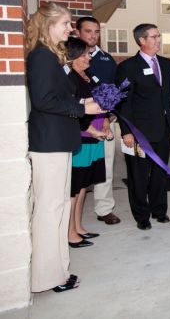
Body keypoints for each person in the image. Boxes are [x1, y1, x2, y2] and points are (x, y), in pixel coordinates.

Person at [25, 2, 104, 293]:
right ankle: (46, 277)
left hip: (58, 140)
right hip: (49, 143)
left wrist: (83, 104)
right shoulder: (42, 57)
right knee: (49, 210)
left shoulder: (50, 55)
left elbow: (56, 98)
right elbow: (44, 100)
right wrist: (82, 108)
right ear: (48, 25)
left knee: (57, 207)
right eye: (65, 24)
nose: (70, 29)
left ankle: (58, 270)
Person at [115, 23, 170, 230]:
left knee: (160, 173)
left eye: (159, 35)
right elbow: (123, 103)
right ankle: (142, 215)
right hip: (139, 133)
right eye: (154, 36)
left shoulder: (167, 65)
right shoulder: (127, 67)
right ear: (142, 40)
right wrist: (126, 131)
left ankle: (159, 210)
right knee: (138, 176)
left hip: (164, 130)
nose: (159, 40)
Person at [74, 16, 121, 225]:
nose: (93, 36)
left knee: (106, 167)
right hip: (79, 123)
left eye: (96, 31)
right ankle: (73, 217)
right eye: (88, 31)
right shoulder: (68, 58)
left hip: (104, 122)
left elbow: (110, 92)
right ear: (78, 32)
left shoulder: (107, 59)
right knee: (79, 172)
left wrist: (108, 119)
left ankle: (104, 209)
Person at [65, 37, 109, 247]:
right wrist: (92, 130)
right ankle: (70, 233)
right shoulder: (70, 78)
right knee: (74, 188)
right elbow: (75, 110)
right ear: (72, 57)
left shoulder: (88, 76)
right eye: (83, 54)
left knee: (83, 186)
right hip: (82, 137)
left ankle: (78, 226)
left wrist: (106, 122)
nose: (88, 56)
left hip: (95, 136)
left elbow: (101, 100)